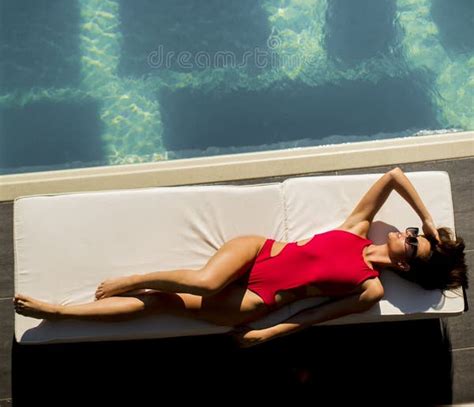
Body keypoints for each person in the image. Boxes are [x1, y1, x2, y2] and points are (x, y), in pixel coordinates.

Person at [14, 166, 468, 349]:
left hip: (261, 299)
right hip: (258, 251)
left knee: (160, 305)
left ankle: (59, 312)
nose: (406, 234)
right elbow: (393, 175)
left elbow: (314, 316)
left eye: (412, 242)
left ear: (406, 265)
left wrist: (266, 334)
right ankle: (135, 277)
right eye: (411, 233)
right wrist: (428, 221)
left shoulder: (369, 289)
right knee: (207, 282)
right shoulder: (357, 229)